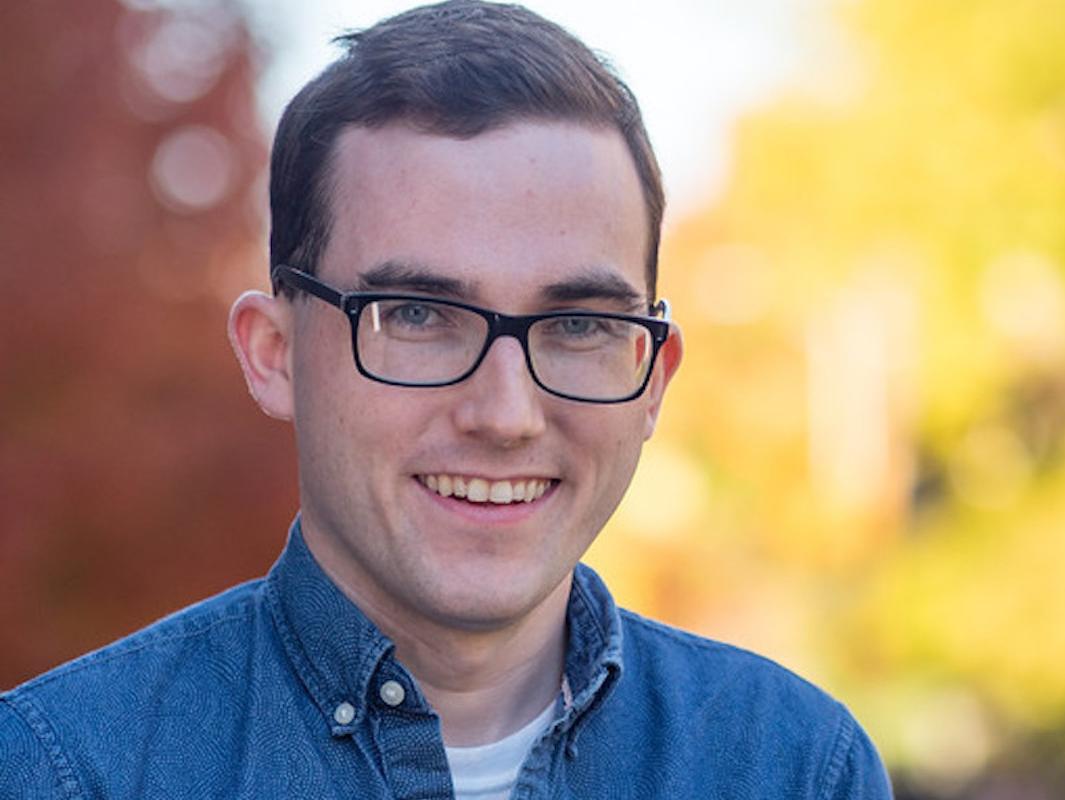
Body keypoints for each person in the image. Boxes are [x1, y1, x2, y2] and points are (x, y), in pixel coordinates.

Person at [0, 1, 891, 797]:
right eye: (419, 315)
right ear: (273, 355)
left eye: (578, 324)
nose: (504, 415)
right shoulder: (61, 772)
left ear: (653, 379)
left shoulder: (797, 768)